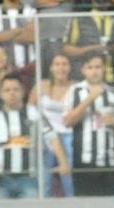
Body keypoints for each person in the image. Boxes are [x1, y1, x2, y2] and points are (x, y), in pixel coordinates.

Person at [0, 72, 68, 199]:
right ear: (1, 94)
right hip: (0, 179)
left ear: (23, 92)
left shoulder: (34, 113)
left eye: (16, 89)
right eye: (7, 90)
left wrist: (63, 162)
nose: (12, 93)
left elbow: (53, 138)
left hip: (28, 178)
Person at [61, 53, 114, 196]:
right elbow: (67, 121)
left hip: (110, 162)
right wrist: (90, 98)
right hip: (84, 162)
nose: (94, 71)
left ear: (104, 69)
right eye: (90, 67)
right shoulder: (75, 91)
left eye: (98, 67)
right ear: (83, 70)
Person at [29, 51, 75, 197]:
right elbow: (31, 109)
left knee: (68, 176)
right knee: (44, 178)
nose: (61, 68)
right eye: (57, 64)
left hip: (69, 134)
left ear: (70, 67)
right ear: (51, 68)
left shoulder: (76, 87)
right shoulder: (40, 86)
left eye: (64, 64)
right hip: (45, 136)